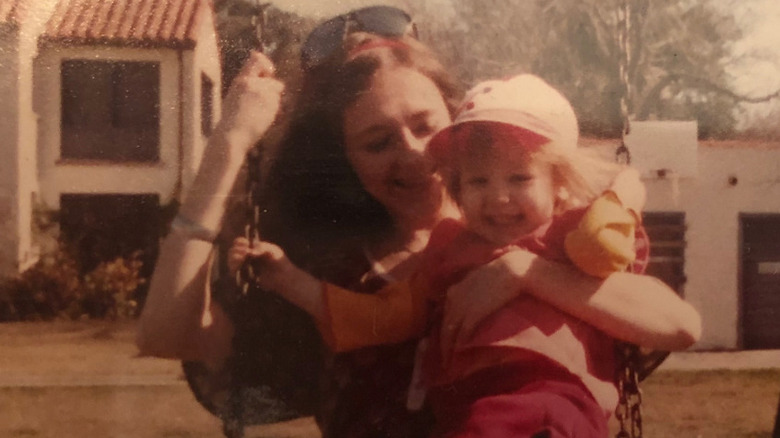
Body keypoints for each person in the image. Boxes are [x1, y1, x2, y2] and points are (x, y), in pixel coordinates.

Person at [137, 6, 701, 438]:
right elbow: (167, 334)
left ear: (460, 122)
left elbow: (676, 323)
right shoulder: (335, 274)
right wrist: (228, 147)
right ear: (346, 161)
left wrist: (526, 273)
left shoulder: (550, 235)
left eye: (425, 125)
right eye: (378, 142)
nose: (412, 155)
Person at [233, 74, 664, 437]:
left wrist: (624, 190)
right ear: (457, 188)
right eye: (478, 181)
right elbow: (384, 318)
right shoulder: (451, 253)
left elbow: (604, 246)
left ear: (560, 183)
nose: (498, 198)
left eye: (519, 178)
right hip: (471, 411)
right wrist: (290, 279)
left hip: (554, 400)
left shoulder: (569, 241)